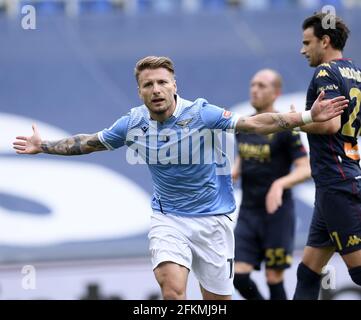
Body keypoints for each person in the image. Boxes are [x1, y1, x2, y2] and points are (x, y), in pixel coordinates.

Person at [12, 56, 347, 300]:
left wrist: (305, 116)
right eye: (148, 85)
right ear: (140, 92)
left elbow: (255, 123)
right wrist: (45, 147)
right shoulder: (132, 124)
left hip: (214, 221)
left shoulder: (201, 112)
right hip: (168, 218)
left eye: (162, 82)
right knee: (172, 289)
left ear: (174, 85)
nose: (156, 89)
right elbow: (89, 142)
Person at [293, 13, 361, 299]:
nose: (302, 49)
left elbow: (330, 123)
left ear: (325, 40)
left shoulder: (325, 72)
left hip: (337, 183)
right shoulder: (355, 71)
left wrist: (293, 121)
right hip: (339, 177)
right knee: (308, 271)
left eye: (307, 42)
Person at [232, 69, 311, 300]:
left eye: (262, 86)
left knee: (273, 279)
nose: (254, 90)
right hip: (248, 213)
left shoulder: (285, 128)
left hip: (277, 215)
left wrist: (280, 184)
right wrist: (236, 169)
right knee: (239, 277)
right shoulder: (243, 125)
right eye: (252, 84)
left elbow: (305, 168)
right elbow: (244, 154)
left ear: (277, 93)